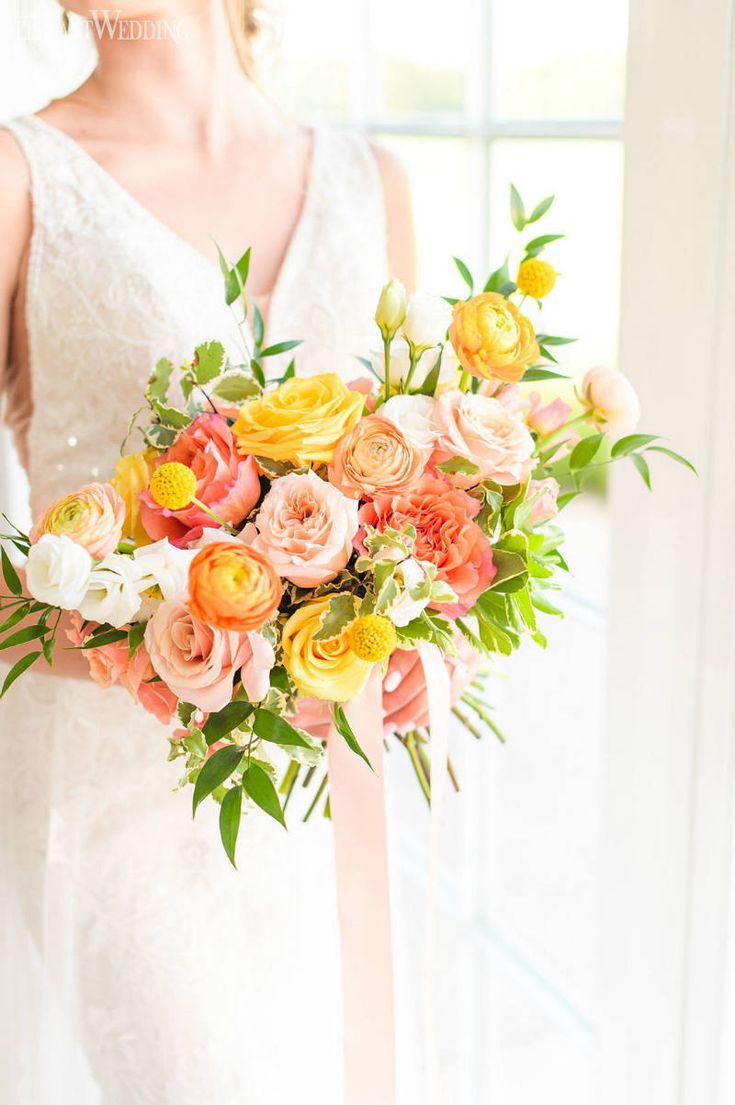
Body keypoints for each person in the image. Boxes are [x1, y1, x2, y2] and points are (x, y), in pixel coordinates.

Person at [0, 2, 434, 1102]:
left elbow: (425, 501)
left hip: (335, 781)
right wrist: (151, 638)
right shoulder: (22, 179)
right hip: (120, 797)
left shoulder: (370, 180)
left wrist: (425, 640)